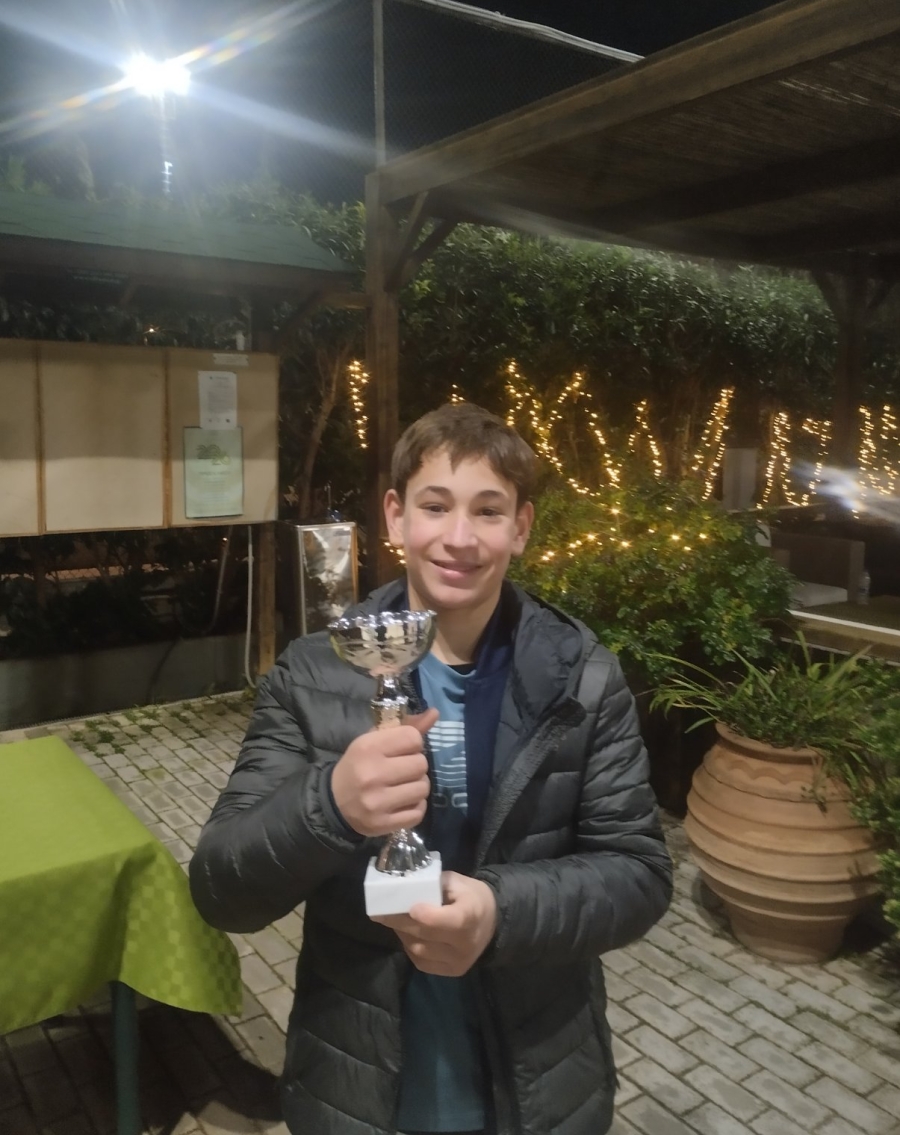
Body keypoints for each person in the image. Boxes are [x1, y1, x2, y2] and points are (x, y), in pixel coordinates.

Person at [189, 402, 673, 1135]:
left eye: (488, 510)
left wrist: (499, 912)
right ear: (395, 516)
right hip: (359, 1087)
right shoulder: (313, 674)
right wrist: (330, 804)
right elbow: (222, 890)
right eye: (435, 505)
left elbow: (638, 873)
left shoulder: (583, 677)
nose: (459, 537)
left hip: (537, 1087)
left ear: (521, 527)